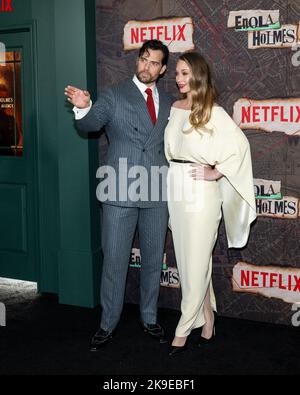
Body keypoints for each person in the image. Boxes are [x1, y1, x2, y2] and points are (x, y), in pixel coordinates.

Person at [64, 40, 173, 351]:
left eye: (154, 63)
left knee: (153, 260)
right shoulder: (114, 95)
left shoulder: (168, 101)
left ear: (163, 69)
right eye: (143, 59)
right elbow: (90, 124)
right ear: (137, 61)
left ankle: (149, 318)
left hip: (155, 190)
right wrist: (83, 105)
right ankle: (107, 324)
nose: (147, 66)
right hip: (119, 191)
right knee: (114, 261)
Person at [164, 52, 257, 356]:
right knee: (191, 262)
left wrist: (215, 171)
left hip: (202, 194)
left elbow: (239, 147)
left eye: (185, 73)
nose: (179, 79)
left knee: (195, 259)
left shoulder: (212, 111)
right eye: (177, 73)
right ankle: (208, 318)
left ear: (198, 75)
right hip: (176, 190)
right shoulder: (176, 108)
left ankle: (183, 327)